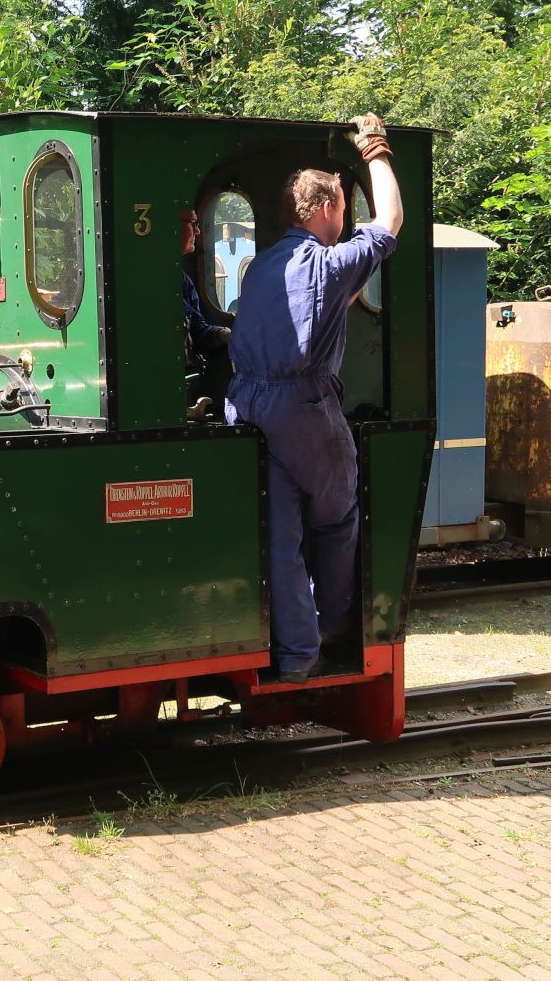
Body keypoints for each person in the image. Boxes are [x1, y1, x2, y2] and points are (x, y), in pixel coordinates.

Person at [224, 115, 402, 684]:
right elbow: (392, 222)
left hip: (247, 404)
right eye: (343, 211)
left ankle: (297, 656)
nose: (346, 220)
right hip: (302, 407)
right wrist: (375, 149)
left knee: (281, 535)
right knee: (339, 515)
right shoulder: (331, 260)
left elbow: (304, 315)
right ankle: (337, 626)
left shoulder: (260, 267)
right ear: (326, 208)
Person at [181, 208, 230, 355]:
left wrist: (223, 334)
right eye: (193, 224)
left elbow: (197, 329)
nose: (198, 232)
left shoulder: (183, 280)